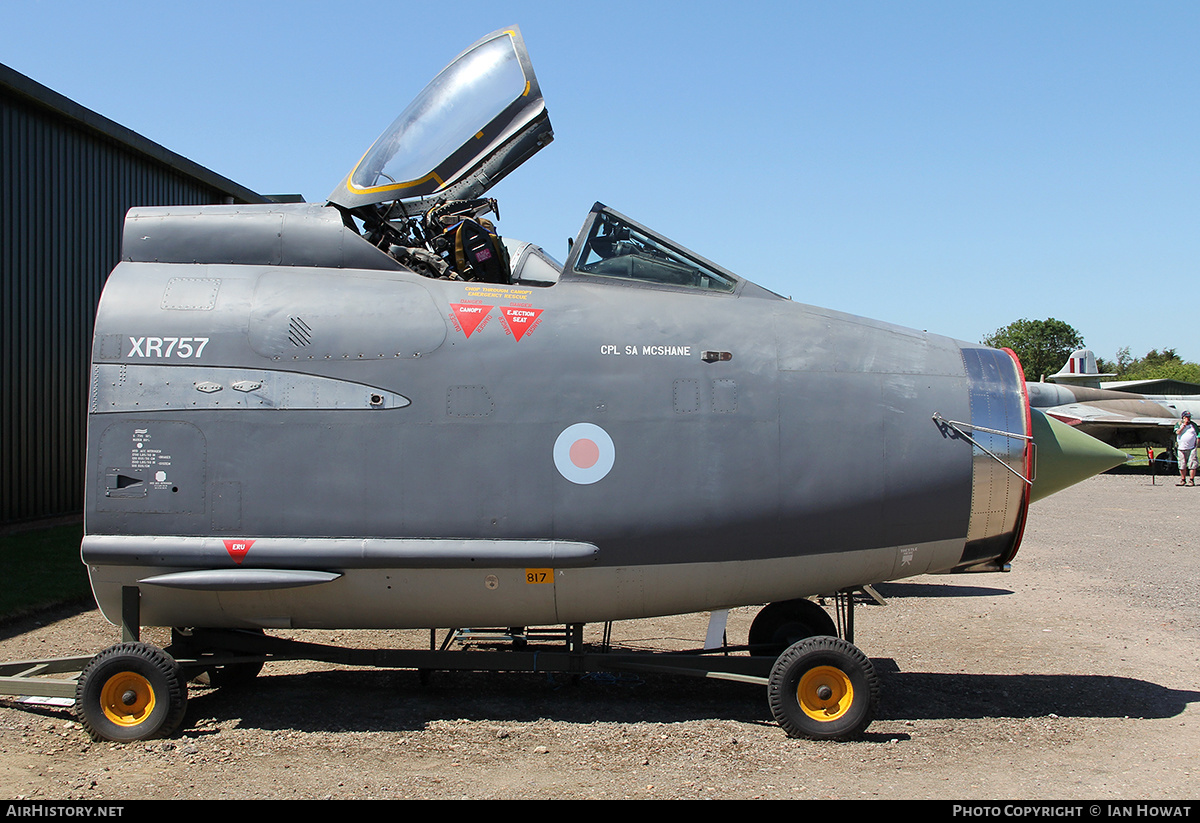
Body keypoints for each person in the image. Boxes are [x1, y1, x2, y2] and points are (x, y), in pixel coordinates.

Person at [1174, 411, 1198, 486]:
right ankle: (1183, 479)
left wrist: (1196, 445)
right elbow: (1178, 432)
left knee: (1192, 464)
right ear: (1183, 417)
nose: (1189, 418)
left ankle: (1191, 480)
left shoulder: (1193, 425)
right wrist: (1184, 425)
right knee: (1182, 465)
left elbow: (1198, 434)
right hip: (1181, 448)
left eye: (1189, 417)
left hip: (1192, 448)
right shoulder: (1179, 424)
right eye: (1187, 417)